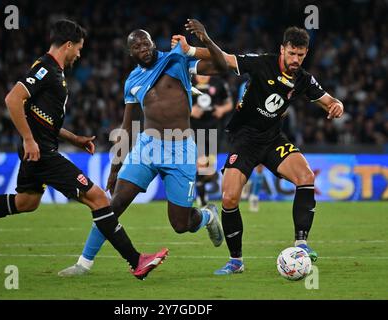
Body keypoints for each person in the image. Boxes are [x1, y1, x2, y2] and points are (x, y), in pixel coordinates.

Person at [0, 19, 168, 280]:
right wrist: (29, 139)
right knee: (99, 198)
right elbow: (13, 99)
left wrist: (75, 138)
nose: (79, 54)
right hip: (42, 152)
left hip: (37, 149)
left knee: (26, 202)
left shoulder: (53, 73)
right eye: (79, 48)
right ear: (68, 45)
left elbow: (39, 117)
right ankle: (136, 261)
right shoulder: (46, 69)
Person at [58, 19, 228, 276]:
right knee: (112, 205)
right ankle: (84, 263)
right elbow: (126, 128)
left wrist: (203, 39)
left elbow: (223, 66)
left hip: (180, 149)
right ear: (131, 53)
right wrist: (115, 170)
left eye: (146, 43)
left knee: (181, 225)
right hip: (147, 147)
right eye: (137, 46)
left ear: (152, 43)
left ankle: (207, 217)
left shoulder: (176, 59)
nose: (143, 48)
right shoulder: (132, 81)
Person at [172, 23, 344, 275]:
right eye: (291, 53)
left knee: (306, 177)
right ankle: (236, 261)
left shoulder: (304, 79)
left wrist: (336, 105)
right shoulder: (262, 63)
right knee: (229, 198)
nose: (296, 59)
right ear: (282, 49)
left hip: (273, 138)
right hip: (244, 139)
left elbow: (329, 100)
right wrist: (190, 50)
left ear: (305, 53)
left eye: (300, 54)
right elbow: (226, 60)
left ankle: (301, 244)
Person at [190, 74, 233, 206]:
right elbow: (176, 103)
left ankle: (201, 184)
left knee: (208, 170)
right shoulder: (188, 81)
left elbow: (229, 103)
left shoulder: (218, 82)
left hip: (214, 130)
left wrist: (221, 109)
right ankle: (202, 199)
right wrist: (190, 110)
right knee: (201, 164)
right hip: (195, 129)